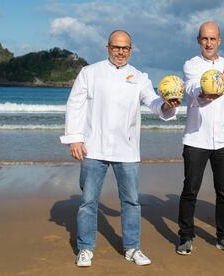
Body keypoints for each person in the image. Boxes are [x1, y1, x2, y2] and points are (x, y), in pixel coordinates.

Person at [60, 30, 179, 267]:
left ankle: (132, 248)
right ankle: (85, 249)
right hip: (93, 148)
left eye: (125, 48)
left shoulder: (139, 77)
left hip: (127, 150)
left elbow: (153, 103)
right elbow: (75, 105)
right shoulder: (89, 73)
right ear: (108, 47)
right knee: (88, 201)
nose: (120, 52)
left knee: (132, 202)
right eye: (116, 47)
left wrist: (167, 105)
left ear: (131, 50)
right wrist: (75, 138)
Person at [176, 21, 224, 255]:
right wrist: (205, 92)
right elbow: (192, 89)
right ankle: (186, 237)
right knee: (190, 189)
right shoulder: (191, 65)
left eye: (212, 39)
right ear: (198, 40)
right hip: (196, 138)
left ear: (219, 40)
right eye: (204, 39)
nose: (208, 43)